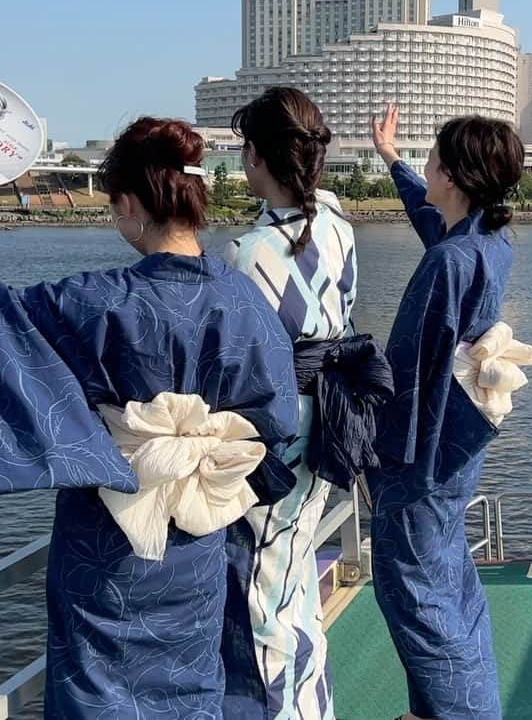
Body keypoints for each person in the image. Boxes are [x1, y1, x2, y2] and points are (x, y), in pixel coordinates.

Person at [0, 118, 299, 720]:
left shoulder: (99, 300)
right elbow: (275, 421)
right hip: (198, 540)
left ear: (130, 203)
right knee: (191, 690)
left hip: (110, 540)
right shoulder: (244, 300)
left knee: (100, 694)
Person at [220, 87, 391, 720]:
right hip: (333, 416)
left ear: (258, 156)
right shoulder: (340, 227)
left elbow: (241, 362)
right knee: (294, 576)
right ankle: (313, 705)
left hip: (280, 425)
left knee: (262, 589)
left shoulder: (246, 254)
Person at [367, 104, 525, 720]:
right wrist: (392, 159)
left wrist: (378, 459)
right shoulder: (489, 241)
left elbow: (405, 373)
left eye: (432, 159)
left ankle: (454, 712)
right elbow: (434, 221)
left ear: (455, 176)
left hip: (422, 456)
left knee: (414, 600)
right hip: (458, 447)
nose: (427, 167)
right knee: (451, 592)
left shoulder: (449, 263)